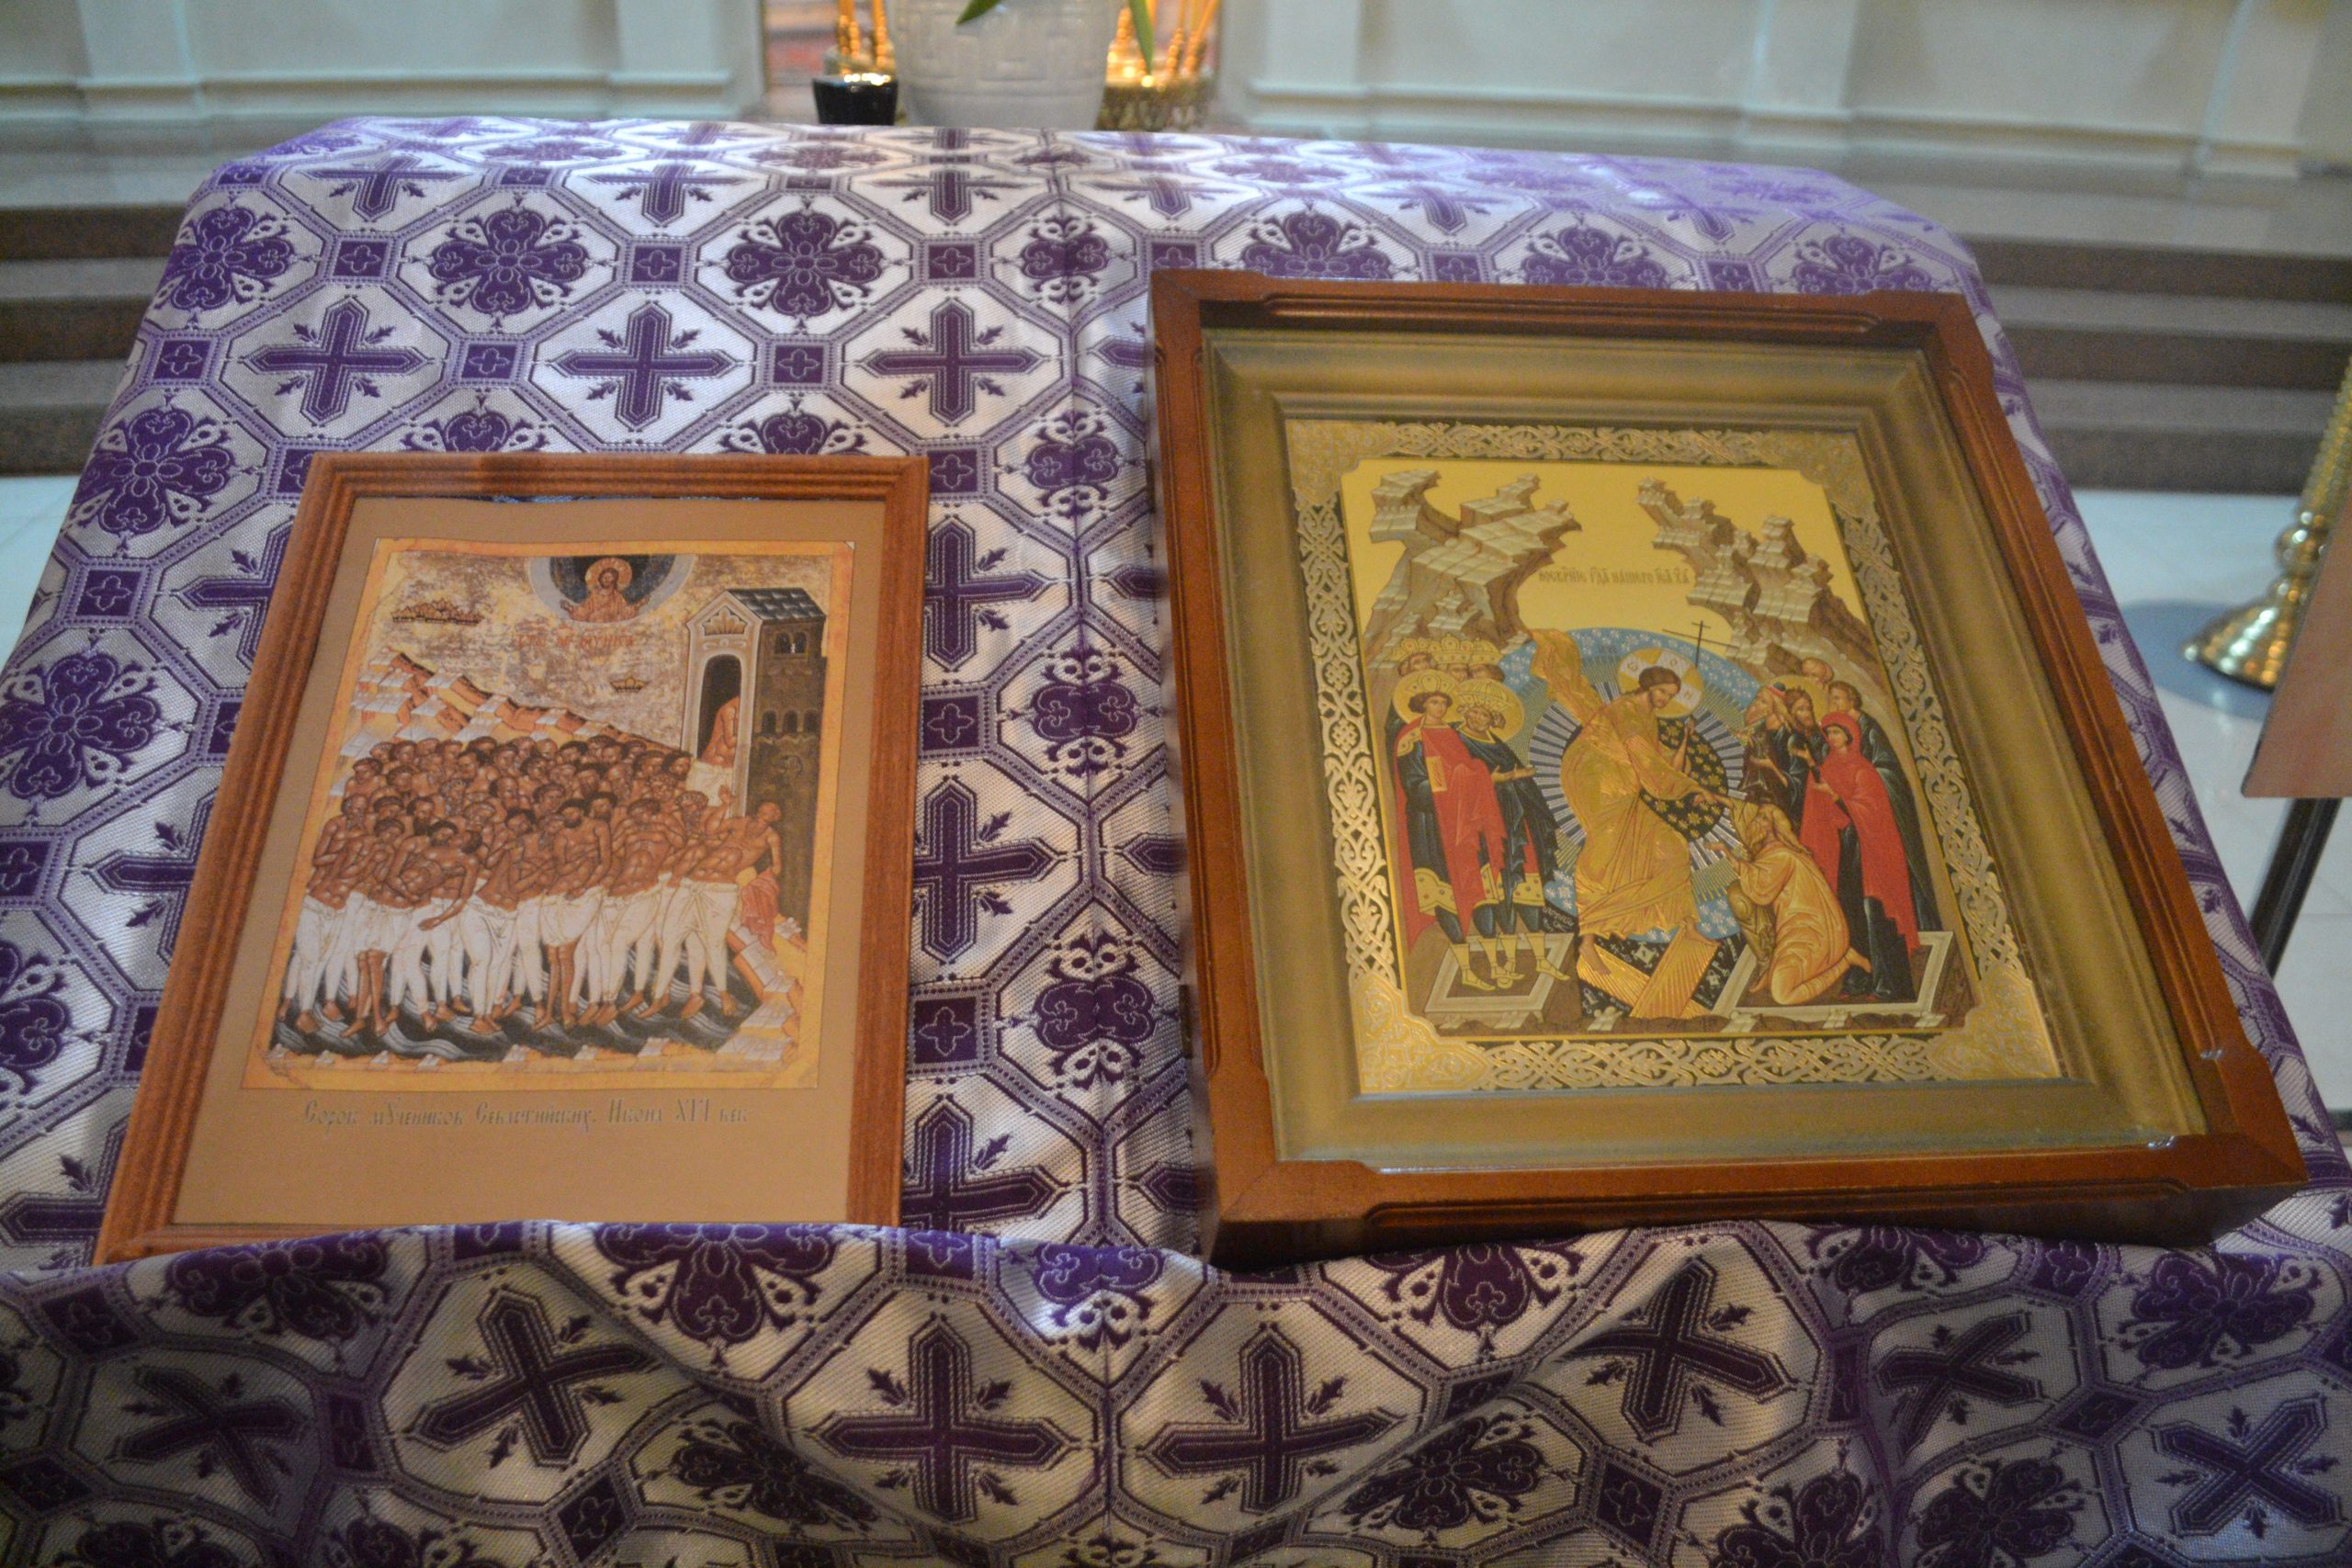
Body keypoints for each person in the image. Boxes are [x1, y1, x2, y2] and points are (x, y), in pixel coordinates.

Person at [1392, 680, 1512, 990]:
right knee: (1445, 897)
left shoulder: (1455, 735)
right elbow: (1415, 787)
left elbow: (1473, 769)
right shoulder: (1411, 739)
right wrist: (1458, 784)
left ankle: (1496, 965)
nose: (1441, 707)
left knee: (1482, 892)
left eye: (1444, 702)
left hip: (1467, 827)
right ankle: (1467, 970)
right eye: (1434, 702)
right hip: (1432, 827)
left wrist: (1476, 779)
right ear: (1422, 704)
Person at [1453, 684, 1573, 984]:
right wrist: (1499, 779)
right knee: (1500, 889)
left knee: (1526, 886)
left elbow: (1518, 777)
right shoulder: (1457, 742)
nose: (1479, 717)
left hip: (1516, 822)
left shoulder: (1497, 744)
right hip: (1485, 826)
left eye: (1486, 714)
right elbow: (1458, 782)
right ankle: (1506, 962)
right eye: (1475, 711)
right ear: (1465, 712)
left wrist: (1520, 780)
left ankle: (1541, 960)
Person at [1801, 714, 1920, 1002]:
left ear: (1850, 735)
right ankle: (1859, 980)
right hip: (1848, 848)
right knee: (1850, 912)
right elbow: (1825, 806)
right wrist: (1812, 768)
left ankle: (1889, 985)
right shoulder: (1829, 767)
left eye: (1837, 732)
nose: (1832, 738)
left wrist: (1836, 797)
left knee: (1874, 912)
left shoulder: (1863, 770)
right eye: (1829, 733)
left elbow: (1870, 812)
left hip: (1870, 850)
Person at [1724, 797, 1866, 1005]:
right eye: (1758, 817)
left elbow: (1761, 888)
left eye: (1763, 818)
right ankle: (1772, 965)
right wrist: (1714, 797)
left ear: (1774, 826)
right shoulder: (1775, 851)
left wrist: (1729, 856)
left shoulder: (1782, 855)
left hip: (1812, 936)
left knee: (1782, 994)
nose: (1756, 821)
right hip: (1801, 930)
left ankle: (1844, 962)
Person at [1825, 678, 1939, 931]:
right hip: (1859, 817)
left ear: (1852, 700)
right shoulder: (1838, 734)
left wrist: (1864, 785)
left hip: (1881, 812)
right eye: (1830, 699)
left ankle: (1919, 926)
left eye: (1837, 698)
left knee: (1897, 874)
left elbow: (1886, 769)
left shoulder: (1869, 730)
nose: (1832, 703)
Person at [569, 558, 637, 623]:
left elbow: (625, 610)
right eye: (603, 577)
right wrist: (571, 609)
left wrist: (637, 606)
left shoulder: (617, 596)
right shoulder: (594, 595)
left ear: (615, 579)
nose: (606, 579)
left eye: (609, 577)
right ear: (600, 579)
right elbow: (584, 610)